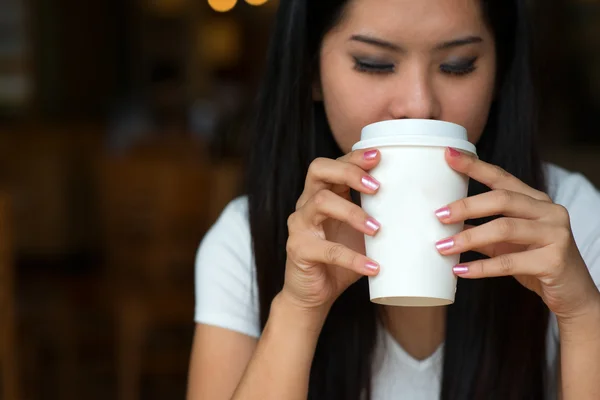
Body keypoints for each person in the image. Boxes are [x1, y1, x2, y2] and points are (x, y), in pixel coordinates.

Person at [187, 0, 600, 398]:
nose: (419, 104)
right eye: (374, 63)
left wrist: (583, 315)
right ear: (311, 69)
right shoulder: (246, 238)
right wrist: (298, 309)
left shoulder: (570, 221)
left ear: (499, 71)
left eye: (458, 66)